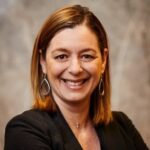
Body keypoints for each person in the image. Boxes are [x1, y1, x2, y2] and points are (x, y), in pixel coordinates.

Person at [4, 4, 149, 150]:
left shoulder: (122, 126)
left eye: (87, 56)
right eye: (61, 56)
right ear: (43, 62)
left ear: (103, 60)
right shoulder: (24, 131)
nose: (75, 69)